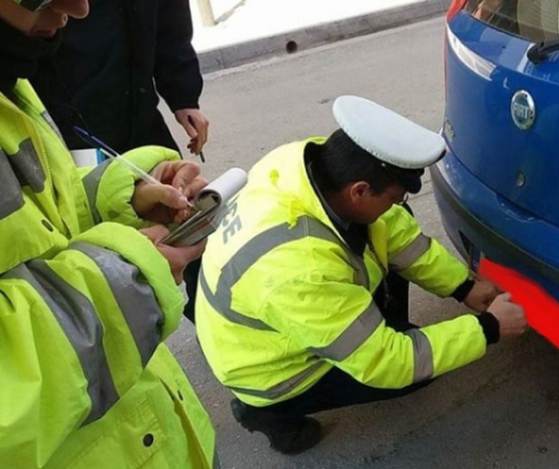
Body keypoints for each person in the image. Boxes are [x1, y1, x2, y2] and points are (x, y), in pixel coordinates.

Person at [196, 95, 528, 455]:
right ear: (360, 191)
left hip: (267, 317)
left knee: (389, 242)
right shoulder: (301, 270)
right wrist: (489, 328)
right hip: (266, 367)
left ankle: (367, 331)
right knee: (414, 371)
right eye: (394, 197)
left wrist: (463, 287)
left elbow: (395, 230)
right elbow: (388, 363)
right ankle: (266, 412)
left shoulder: (309, 165)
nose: (397, 207)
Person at [0, 0, 216, 466]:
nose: (80, 9)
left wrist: (121, 194)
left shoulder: (11, 77)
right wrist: (129, 280)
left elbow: (37, 214)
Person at [30, 0, 209, 156]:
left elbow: (170, 21)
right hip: (66, 124)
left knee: (177, 188)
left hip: (141, 115)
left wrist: (183, 96)